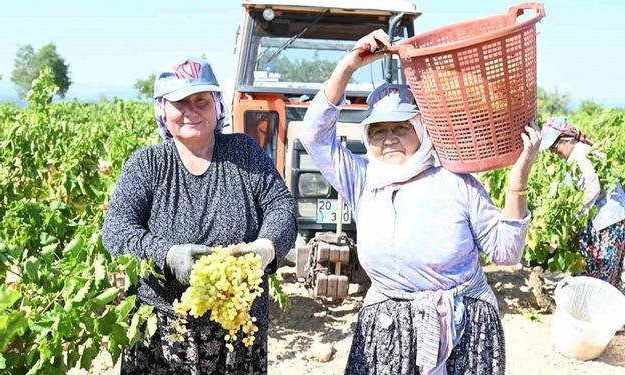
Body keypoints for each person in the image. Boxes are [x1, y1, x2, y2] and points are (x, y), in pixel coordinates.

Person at [299, 30, 541, 375]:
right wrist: (349, 65)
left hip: (463, 329)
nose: (390, 138)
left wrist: (518, 181)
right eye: (379, 131)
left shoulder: (457, 182)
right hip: (387, 330)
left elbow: (507, 253)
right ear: (368, 138)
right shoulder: (363, 180)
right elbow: (313, 135)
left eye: (401, 127)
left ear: (422, 130)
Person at [102, 57, 298, 375]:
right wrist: (168, 255)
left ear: (217, 106)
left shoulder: (244, 153)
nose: (191, 111)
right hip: (164, 334)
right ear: (162, 110)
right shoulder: (147, 164)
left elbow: (281, 207)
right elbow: (116, 230)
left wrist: (267, 247)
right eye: (180, 102)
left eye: (201, 101)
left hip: (237, 329)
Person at [540, 117, 625, 291]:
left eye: (555, 148)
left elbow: (593, 188)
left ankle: (599, 314)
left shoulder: (580, 155)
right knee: (599, 273)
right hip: (605, 219)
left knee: (601, 274)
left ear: (566, 140)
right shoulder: (579, 153)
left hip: (606, 222)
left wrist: (573, 217)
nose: (555, 153)